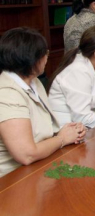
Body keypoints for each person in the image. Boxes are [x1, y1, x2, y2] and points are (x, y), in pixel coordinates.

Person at [0, 27, 86, 178]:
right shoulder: (7, 93)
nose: (47, 56)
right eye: (44, 53)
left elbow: (42, 131)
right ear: (31, 59)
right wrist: (62, 138)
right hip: (13, 179)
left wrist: (69, 130)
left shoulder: (35, 82)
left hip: (41, 165)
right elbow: (26, 154)